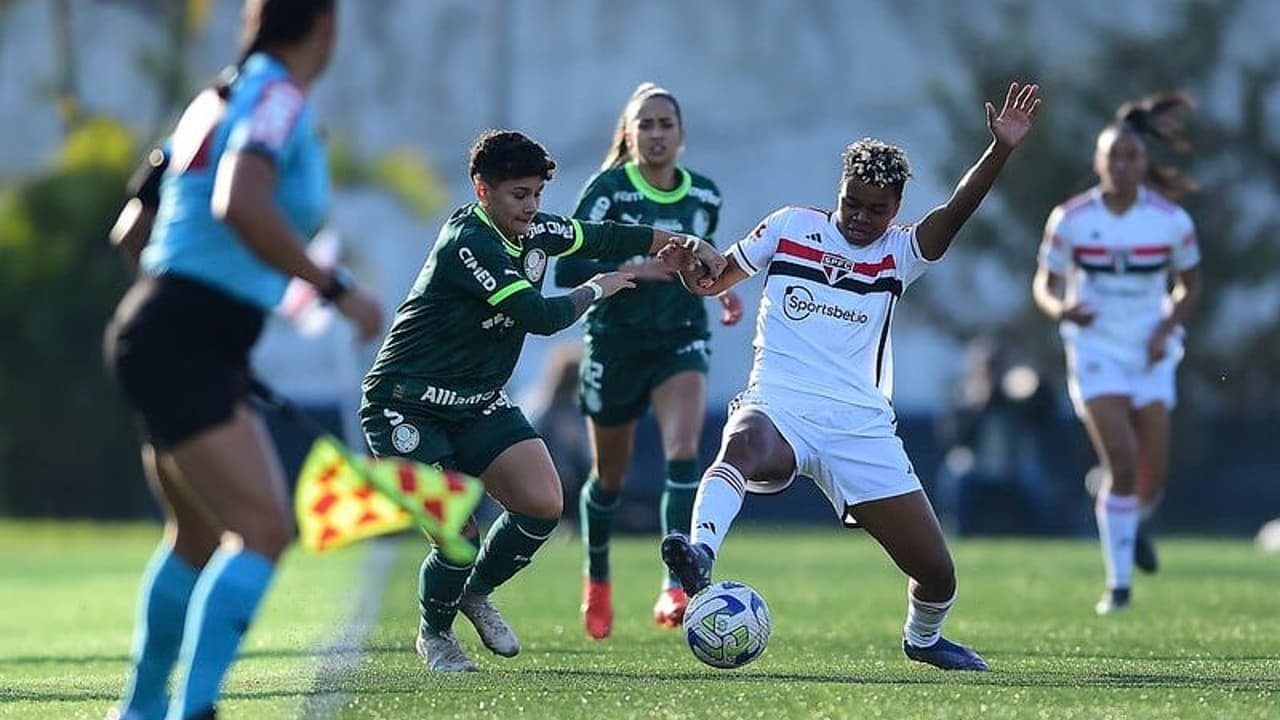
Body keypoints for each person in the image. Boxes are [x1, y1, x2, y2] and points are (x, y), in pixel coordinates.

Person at [658, 81, 1042, 672]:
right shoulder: (788, 227)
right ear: (838, 192)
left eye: (876, 209)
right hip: (779, 401)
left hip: (858, 426)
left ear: (896, 209)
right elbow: (712, 280)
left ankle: (923, 639)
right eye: (852, 203)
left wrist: (1000, 151)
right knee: (741, 444)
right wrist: (691, 267)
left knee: (937, 573)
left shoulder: (900, 253)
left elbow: (957, 210)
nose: (861, 218)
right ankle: (699, 555)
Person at [103, 2, 384, 718]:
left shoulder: (217, 96)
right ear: (326, 29)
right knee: (263, 529)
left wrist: (197, 325)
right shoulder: (278, 98)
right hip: (184, 335)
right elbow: (239, 203)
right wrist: (336, 290)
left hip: (165, 328)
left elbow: (132, 231)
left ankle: (140, 711)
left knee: (198, 535)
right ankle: (191, 711)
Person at [359, 129, 727, 672]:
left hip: (477, 401)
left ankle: (474, 594)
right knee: (458, 532)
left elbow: (599, 234)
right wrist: (601, 287)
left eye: (536, 194)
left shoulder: (535, 226)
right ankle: (435, 635)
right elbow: (541, 316)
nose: (531, 208)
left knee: (543, 503)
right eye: (518, 195)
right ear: (482, 190)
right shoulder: (469, 241)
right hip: (404, 405)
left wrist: (682, 244)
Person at [554, 82, 744, 639]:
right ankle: (597, 578)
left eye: (666, 124)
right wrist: (637, 267)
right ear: (629, 134)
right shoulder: (608, 191)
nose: (656, 134)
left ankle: (675, 585)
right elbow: (564, 271)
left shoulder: (704, 196)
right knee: (609, 478)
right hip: (615, 344)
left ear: (682, 135)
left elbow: (701, 267)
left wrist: (721, 287)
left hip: (679, 338)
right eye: (646, 124)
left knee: (684, 452)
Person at [1032, 93, 1202, 615]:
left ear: (1145, 163)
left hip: (1150, 351)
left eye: (1132, 157)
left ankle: (1127, 512)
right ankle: (1119, 586)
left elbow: (1190, 285)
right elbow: (1045, 283)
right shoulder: (1071, 219)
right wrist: (1062, 309)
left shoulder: (1171, 220)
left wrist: (1167, 327)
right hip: (1096, 347)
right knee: (1124, 464)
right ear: (1098, 162)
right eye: (1114, 157)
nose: (1123, 165)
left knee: (1151, 476)